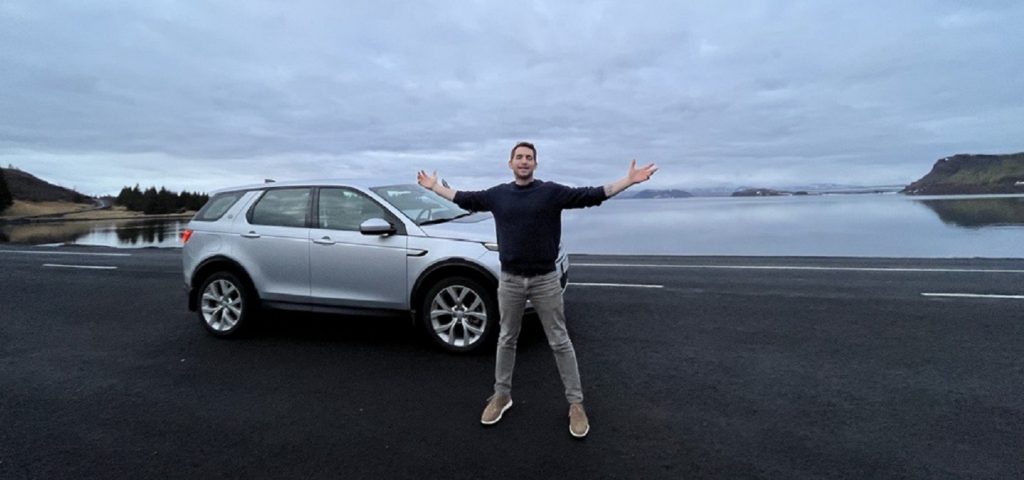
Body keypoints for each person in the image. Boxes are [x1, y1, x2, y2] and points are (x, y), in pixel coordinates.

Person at [417, 141, 657, 438]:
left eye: (529, 157)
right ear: (510, 163)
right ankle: (501, 396)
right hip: (510, 280)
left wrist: (628, 181)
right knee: (506, 338)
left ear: (535, 164)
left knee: (559, 340)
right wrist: (433, 188)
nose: (524, 161)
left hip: (545, 280)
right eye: (519, 157)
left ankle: (576, 404)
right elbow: (464, 198)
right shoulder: (498, 195)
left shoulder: (550, 192)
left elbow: (592, 195)